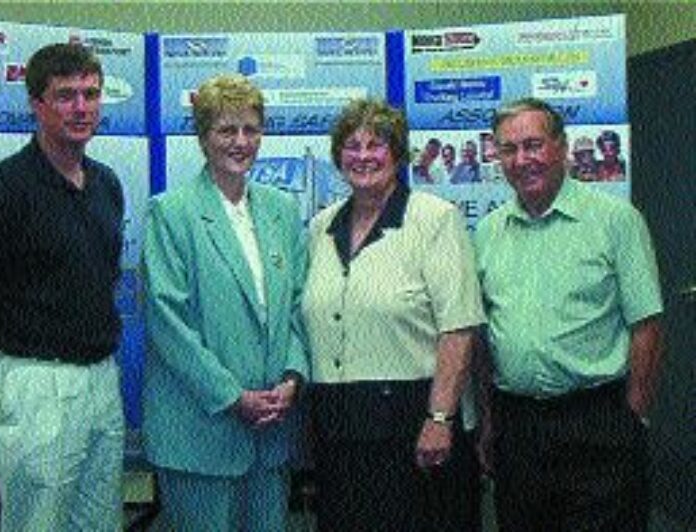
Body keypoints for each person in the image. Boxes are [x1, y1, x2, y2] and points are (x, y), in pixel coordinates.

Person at [0, 43, 126, 531]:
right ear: (36, 105)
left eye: (91, 94)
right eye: (66, 96)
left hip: (101, 380)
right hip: (34, 385)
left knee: (100, 523)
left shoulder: (106, 184)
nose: (81, 107)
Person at [474, 97, 664, 531]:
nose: (522, 160)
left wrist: (631, 416)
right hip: (517, 427)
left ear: (561, 147)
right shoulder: (487, 233)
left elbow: (647, 325)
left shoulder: (615, 220)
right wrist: (488, 421)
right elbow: (485, 337)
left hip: (597, 422)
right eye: (509, 149)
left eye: (534, 145)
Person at [302, 99, 485, 531]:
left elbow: (459, 328)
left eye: (376, 145)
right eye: (351, 146)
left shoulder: (435, 219)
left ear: (398, 154)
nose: (363, 156)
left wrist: (439, 419)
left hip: (416, 422)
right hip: (338, 426)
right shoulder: (320, 227)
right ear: (337, 157)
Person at [141, 74, 309, 531]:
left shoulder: (281, 211)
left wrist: (293, 378)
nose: (240, 142)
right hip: (199, 435)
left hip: (270, 434)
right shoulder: (171, 213)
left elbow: (298, 305)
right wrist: (233, 397)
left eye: (251, 129)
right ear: (202, 138)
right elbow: (167, 321)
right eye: (226, 130)